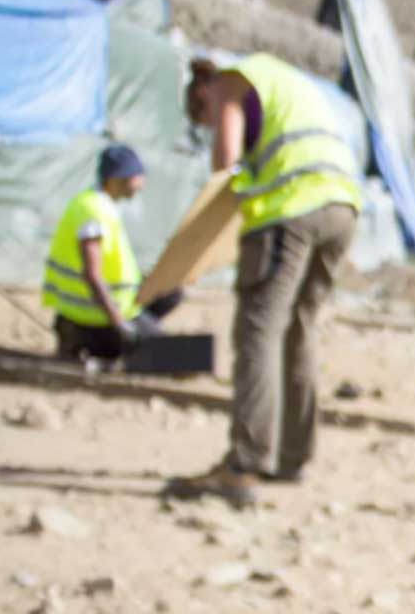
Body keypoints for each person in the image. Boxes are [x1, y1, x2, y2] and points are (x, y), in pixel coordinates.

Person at [168, 54, 363, 505]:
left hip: (290, 211)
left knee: (259, 331)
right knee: (299, 329)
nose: (211, 121)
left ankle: (245, 464)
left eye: (204, 117)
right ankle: (292, 456)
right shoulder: (285, 80)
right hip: (342, 207)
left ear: (202, 93)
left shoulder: (229, 82)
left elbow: (226, 166)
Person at [42, 144, 182, 360]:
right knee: (176, 356)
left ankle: (116, 339)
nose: (142, 184)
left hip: (100, 310)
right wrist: (120, 325)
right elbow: (92, 274)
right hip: (92, 317)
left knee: (171, 292)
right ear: (118, 178)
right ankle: (99, 342)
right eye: (137, 176)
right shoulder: (93, 212)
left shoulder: (97, 203)